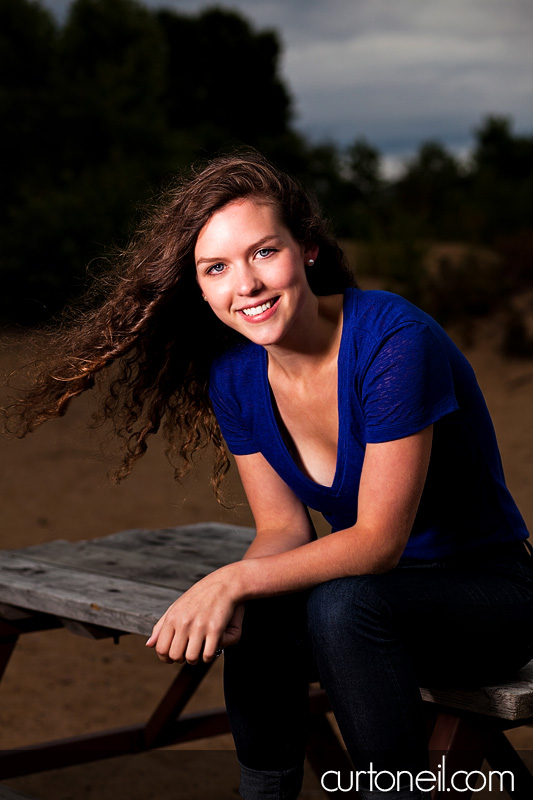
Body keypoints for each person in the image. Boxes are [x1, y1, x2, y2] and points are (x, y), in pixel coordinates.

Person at [4, 150, 533, 800]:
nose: (245, 284)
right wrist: (238, 592)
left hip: (488, 600)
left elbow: (376, 542)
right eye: (217, 267)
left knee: (334, 604)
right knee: (263, 607)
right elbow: (283, 529)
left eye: (263, 252)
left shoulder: (393, 341)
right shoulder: (234, 376)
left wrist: (228, 578)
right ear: (197, 287)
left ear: (306, 248)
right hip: (365, 608)